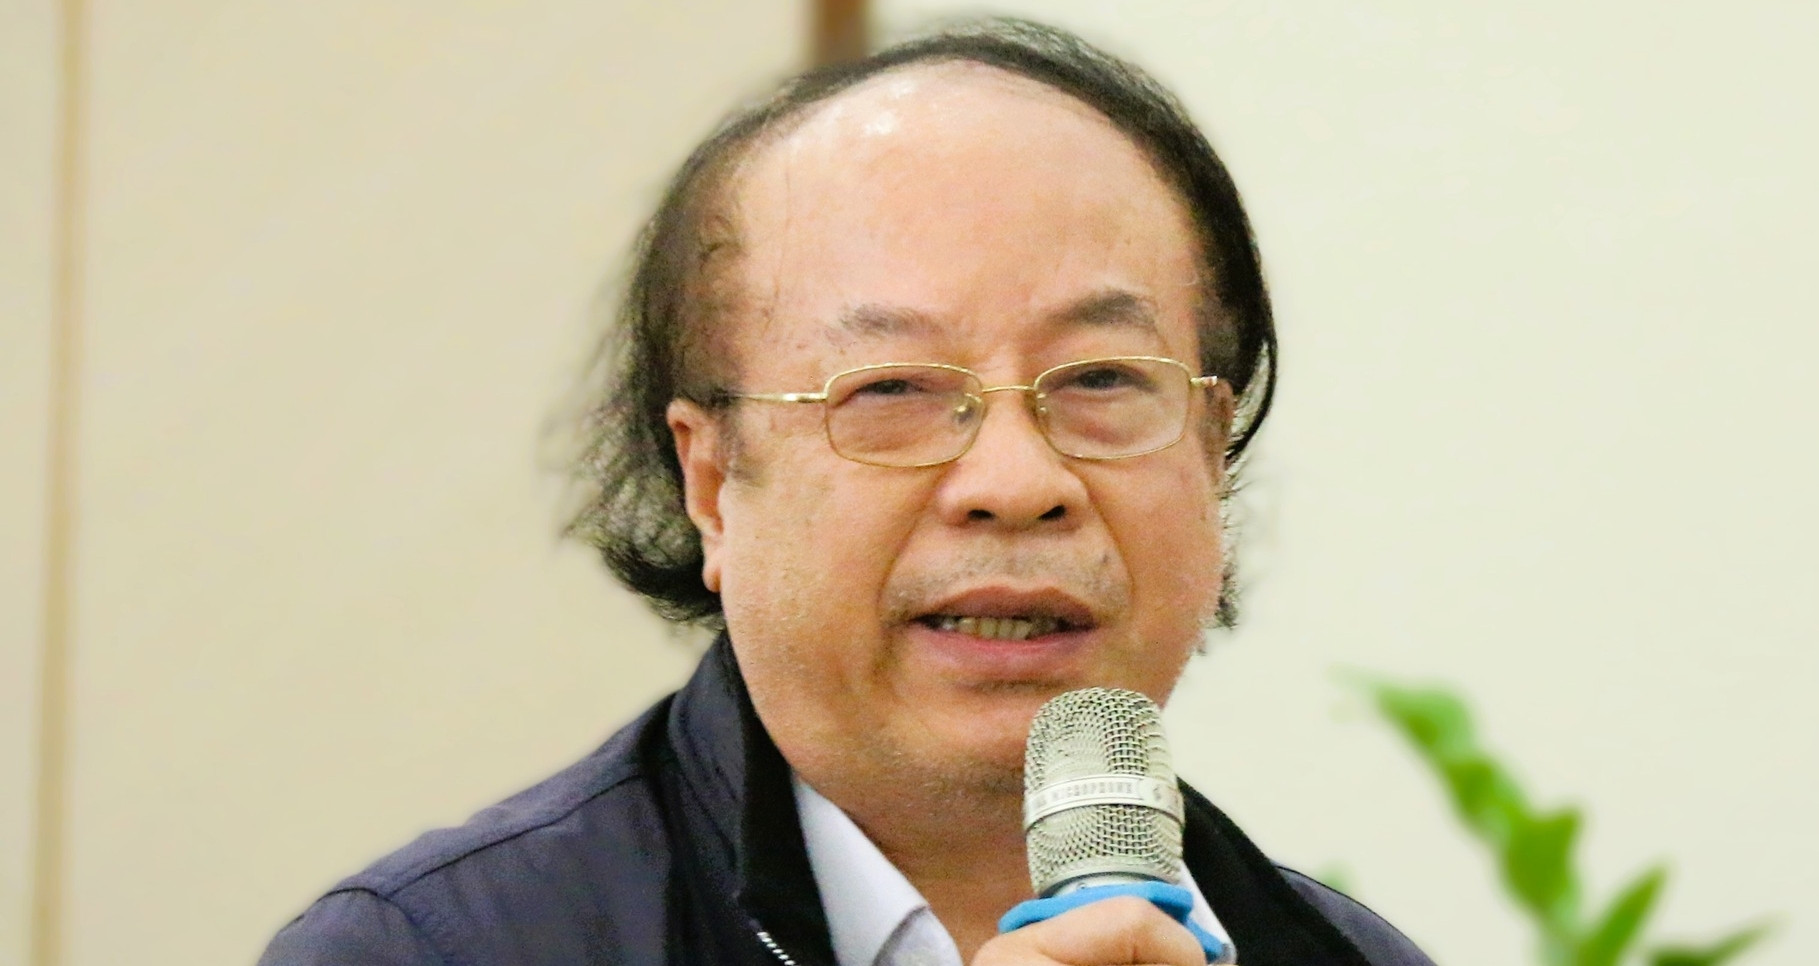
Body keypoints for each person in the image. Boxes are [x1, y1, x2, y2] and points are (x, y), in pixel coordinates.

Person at [260, 18, 1434, 966]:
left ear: (1212, 453)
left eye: (1101, 380)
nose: (1018, 482)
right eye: (893, 390)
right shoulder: (435, 951)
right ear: (711, 482)